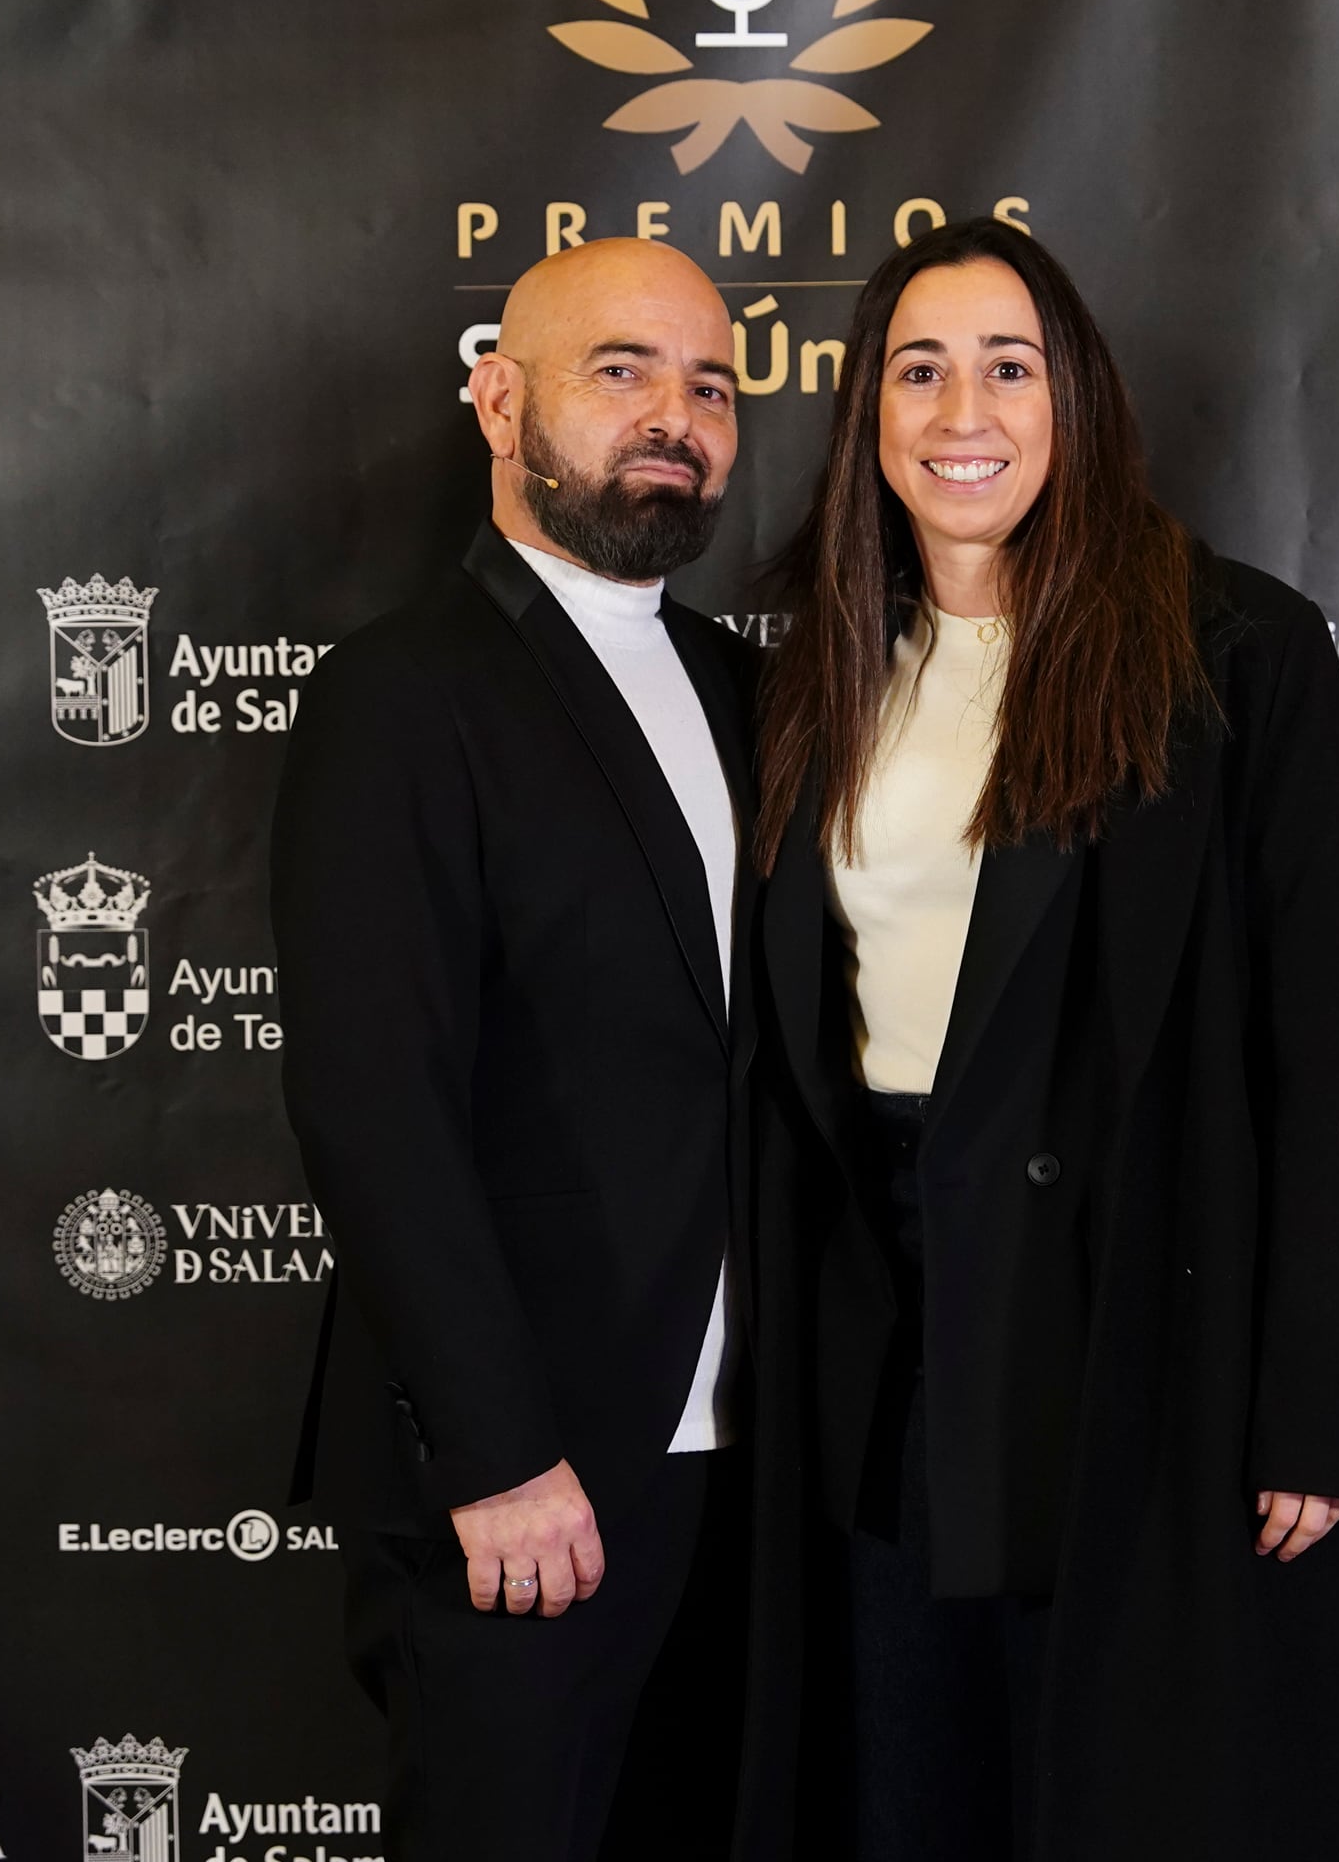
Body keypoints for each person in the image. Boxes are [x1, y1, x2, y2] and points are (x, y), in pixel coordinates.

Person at [740, 218, 1339, 1859]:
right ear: (868, 412)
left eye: (1008, 367)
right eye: (919, 370)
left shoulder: (1236, 654)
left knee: (1126, 1796)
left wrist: (1322, 1411)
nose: (961, 411)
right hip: (889, 1334)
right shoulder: (816, 669)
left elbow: (1329, 1053)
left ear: (1078, 402)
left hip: (1140, 1324)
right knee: (907, 1794)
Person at [271, 237, 763, 1861]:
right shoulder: (401, 695)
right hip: (534, 1479)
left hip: (743, 1470)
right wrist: (496, 1456)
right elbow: (374, 1103)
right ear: (500, 403)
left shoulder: (753, 692)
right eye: (622, 370)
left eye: (711, 387)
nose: (674, 416)